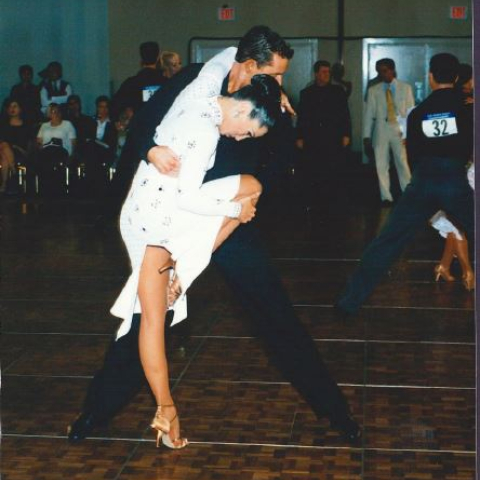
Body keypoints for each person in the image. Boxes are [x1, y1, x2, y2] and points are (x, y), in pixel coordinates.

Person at [68, 25, 360, 446]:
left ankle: (337, 413)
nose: (281, 85)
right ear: (247, 66)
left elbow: (264, 180)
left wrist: (204, 250)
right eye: (275, 75)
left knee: (277, 318)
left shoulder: (270, 108)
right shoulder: (198, 80)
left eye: (282, 77)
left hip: (228, 219)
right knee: (147, 321)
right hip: (172, 217)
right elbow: (144, 128)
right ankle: (95, 413)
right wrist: (151, 150)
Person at [112, 48, 281, 448]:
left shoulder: (202, 90)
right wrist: (234, 213)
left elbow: (226, 56)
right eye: (248, 132)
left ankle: (181, 276)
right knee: (153, 321)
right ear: (242, 113)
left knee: (252, 186)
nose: (240, 139)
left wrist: (274, 89)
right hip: (155, 222)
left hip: (158, 209)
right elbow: (188, 199)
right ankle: (166, 408)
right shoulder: (206, 134)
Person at [335, 53, 473, 318]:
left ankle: (348, 302)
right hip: (455, 179)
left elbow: (413, 154)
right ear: (456, 78)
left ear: (431, 77)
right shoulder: (467, 107)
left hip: (422, 182)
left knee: (387, 241)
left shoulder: (418, 112)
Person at [429, 63, 474, 291]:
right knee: (457, 223)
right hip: (461, 169)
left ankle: (444, 266)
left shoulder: (465, 103)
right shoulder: (461, 105)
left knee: (454, 223)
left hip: (459, 167)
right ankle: (469, 272)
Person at [295, 60, 351, 209]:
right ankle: (314, 201)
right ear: (316, 74)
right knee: (314, 170)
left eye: (328, 72)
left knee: (333, 170)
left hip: (333, 137)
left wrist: (346, 134)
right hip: (313, 138)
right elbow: (302, 117)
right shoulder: (306, 93)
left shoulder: (338, 92)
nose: (327, 75)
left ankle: (332, 202)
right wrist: (299, 137)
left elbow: (345, 115)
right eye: (324, 72)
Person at [363, 58, 414, 205]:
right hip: (381, 129)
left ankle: (408, 195)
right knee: (381, 164)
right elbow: (368, 115)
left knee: (402, 163)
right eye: (379, 71)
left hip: (399, 129)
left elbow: (410, 113)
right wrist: (366, 136)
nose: (381, 74)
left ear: (392, 70)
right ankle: (386, 197)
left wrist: (408, 134)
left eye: (384, 71)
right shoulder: (373, 90)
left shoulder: (406, 88)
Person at [111, 41, 167, 117]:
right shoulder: (167, 83)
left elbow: (115, 106)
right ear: (158, 58)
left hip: (140, 125)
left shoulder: (131, 83)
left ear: (141, 58)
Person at [36, 103, 76, 194]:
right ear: (49, 114)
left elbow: (73, 143)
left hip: (62, 151)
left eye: (58, 111)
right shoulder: (44, 126)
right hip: (46, 151)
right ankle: (46, 189)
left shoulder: (67, 124)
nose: (56, 113)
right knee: (45, 157)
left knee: (53, 156)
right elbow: (38, 141)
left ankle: (55, 188)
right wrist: (40, 147)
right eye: (53, 111)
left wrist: (72, 156)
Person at [0, 98, 34, 193]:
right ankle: (13, 170)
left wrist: (16, 147)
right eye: (10, 106)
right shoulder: (3, 124)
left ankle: (4, 184)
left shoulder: (26, 125)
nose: (12, 109)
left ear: (20, 109)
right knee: (4, 147)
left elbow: (29, 144)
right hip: (4, 151)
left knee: (4, 157)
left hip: (20, 151)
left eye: (15, 106)